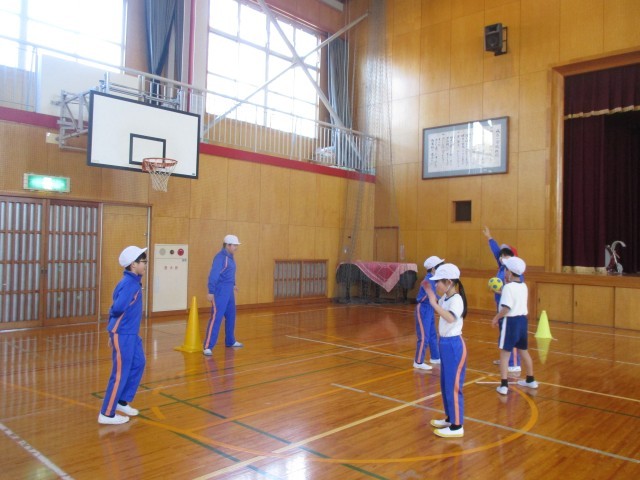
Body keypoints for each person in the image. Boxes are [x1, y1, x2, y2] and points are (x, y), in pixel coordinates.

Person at [98, 246, 148, 425]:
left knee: (139, 362)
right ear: (134, 264)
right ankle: (106, 413)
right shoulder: (130, 284)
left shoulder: (133, 282)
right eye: (143, 262)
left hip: (131, 334)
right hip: (124, 334)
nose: (145, 265)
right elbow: (117, 307)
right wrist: (114, 332)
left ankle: (122, 400)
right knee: (120, 373)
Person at [425, 263, 468, 438]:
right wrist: (431, 294)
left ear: (449, 282)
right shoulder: (446, 298)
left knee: (453, 385)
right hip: (444, 344)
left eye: (439, 282)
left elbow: (450, 317)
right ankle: (451, 418)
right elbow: (440, 306)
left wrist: (433, 302)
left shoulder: (457, 300)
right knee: (445, 384)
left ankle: (457, 426)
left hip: (453, 345)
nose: (436, 285)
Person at [491, 256, 539, 395]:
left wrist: (496, 318)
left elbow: (506, 308)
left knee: (505, 354)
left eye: (506, 270)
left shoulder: (508, 287)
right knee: (524, 351)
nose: (505, 272)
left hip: (510, 322)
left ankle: (504, 385)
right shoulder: (523, 286)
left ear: (510, 272)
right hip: (522, 321)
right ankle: (530, 379)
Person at [482, 226, 521, 373]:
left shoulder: (516, 272)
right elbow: (495, 251)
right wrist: (489, 237)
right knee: (503, 332)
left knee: (510, 333)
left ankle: (514, 363)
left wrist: (498, 290)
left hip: (510, 307)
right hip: (500, 303)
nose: (502, 257)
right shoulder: (502, 267)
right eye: (502, 255)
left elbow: (514, 290)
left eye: (506, 255)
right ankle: (505, 357)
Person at [203, 234, 243, 355]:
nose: (236, 247)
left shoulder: (230, 257)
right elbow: (214, 275)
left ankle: (230, 340)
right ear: (228, 245)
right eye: (235, 245)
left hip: (229, 291)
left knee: (231, 315)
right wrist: (211, 291)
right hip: (220, 291)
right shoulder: (220, 258)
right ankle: (208, 346)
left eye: (236, 245)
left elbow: (229, 272)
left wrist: (233, 284)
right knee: (216, 317)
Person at [413, 256, 444, 370]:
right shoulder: (427, 281)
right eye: (439, 267)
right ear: (433, 269)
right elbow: (431, 295)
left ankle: (435, 357)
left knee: (432, 334)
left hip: (430, 308)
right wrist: (442, 300)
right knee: (424, 336)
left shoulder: (434, 280)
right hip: (423, 309)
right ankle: (418, 361)